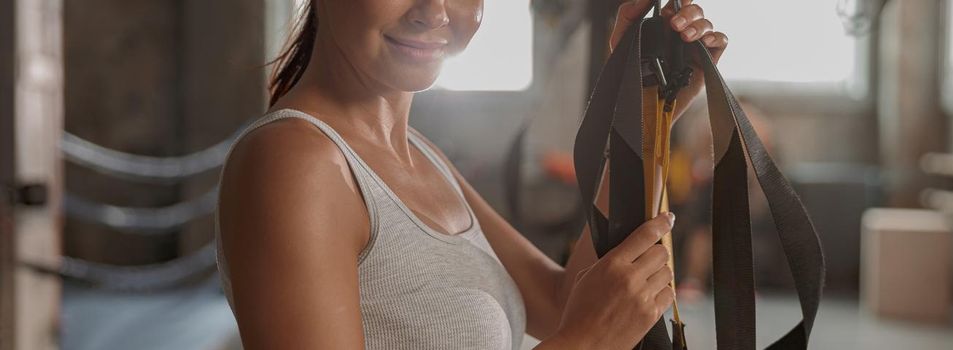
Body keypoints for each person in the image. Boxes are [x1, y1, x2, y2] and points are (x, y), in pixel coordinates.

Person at [215, 0, 728, 349]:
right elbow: (577, 327)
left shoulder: (419, 155)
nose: (434, 12)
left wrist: (645, 113)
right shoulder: (296, 164)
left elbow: (560, 300)